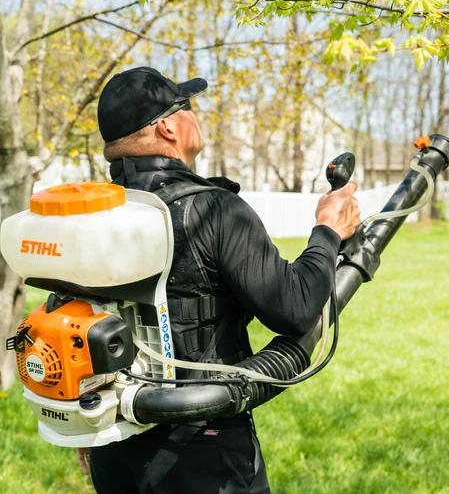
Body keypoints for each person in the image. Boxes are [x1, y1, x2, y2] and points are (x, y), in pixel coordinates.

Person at [83, 67, 361, 493]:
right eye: (188, 107)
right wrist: (327, 231)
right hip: (203, 453)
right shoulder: (213, 211)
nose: (196, 116)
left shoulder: (92, 217)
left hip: (113, 445)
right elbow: (297, 308)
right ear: (168, 128)